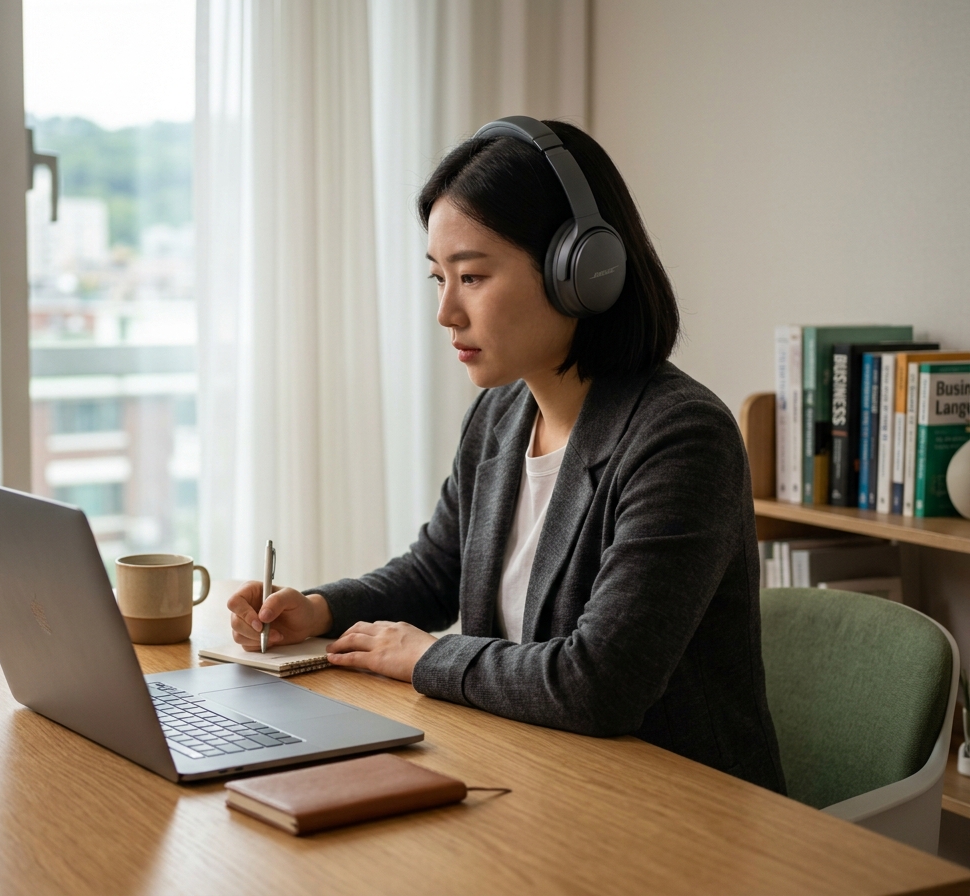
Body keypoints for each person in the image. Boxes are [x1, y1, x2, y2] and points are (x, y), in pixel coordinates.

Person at [226, 119, 785, 793]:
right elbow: (438, 570)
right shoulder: (501, 414)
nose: (447, 313)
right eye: (438, 278)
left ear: (581, 271)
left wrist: (428, 656)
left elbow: (600, 684)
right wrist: (318, 608)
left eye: (472, 276)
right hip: (535, 774)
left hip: (671, 808)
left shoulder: (680, 437)